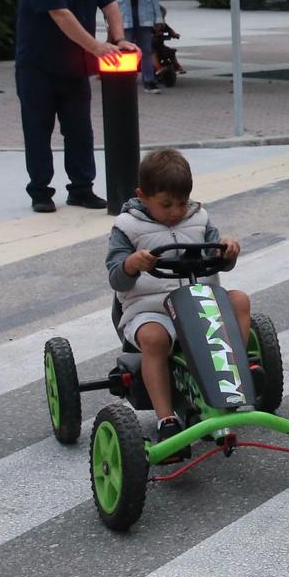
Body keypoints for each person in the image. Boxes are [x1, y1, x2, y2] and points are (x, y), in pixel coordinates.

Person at [106, 147, 252, 438]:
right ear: (143, 196)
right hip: (151, 310)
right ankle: (166, 417)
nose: (176, 211)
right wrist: (132, 264)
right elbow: (116, 278)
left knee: (239, 300)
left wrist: (228, 251)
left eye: (182, 203)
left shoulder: (199, 219)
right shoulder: (127, 227)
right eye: (166, 204)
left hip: (200, 304)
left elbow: (218, 258)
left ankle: (231, 381)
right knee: (154, 339)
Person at [15, 0, 130, 213]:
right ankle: (40, 191)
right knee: (38, 129)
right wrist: (96, 48)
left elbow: (111, 6)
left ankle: (81, 189)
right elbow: (62, 16)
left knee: (80, 129)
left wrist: (118, 40)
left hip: (74, 68)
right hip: (38, 67)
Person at [111, 0, 163, 93]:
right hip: (124, 19)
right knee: (124, 51)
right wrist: (111, 21)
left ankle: (149, 81)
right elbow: (108, 3)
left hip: (144, 18)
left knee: (146, 50)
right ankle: (123, 81)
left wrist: (158, 19)